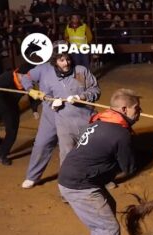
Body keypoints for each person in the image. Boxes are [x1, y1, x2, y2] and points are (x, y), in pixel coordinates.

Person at [58, 88, 143, 235]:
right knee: (108, 228)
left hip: (75, 178)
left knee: (108, 208)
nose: (139, 112)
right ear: (124, 109)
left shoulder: (102, 121)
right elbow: (130, 168)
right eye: (136, 109)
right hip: (80, 185)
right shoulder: (120, 133)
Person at [19, 43, 101, 189]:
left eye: (68, 58)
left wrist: (82, 96)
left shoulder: (80, 71)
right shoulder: (43, 69)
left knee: (90, 146)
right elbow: (26, 78)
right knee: (42, 144)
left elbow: (94, 89)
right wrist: (31, 90)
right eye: (61, 59)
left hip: (80, 115)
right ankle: (32, 176)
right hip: (51, 115)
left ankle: (99, 177)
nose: (66, 63)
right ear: (54, 59)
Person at [0, 64, 39, 165]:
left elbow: (32, 96)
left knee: (12, 132)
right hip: (0, 103)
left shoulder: (29, 83)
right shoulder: (7, 77)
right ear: (19, 73)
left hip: (12, 108)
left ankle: (2, 154)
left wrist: (34, 110)